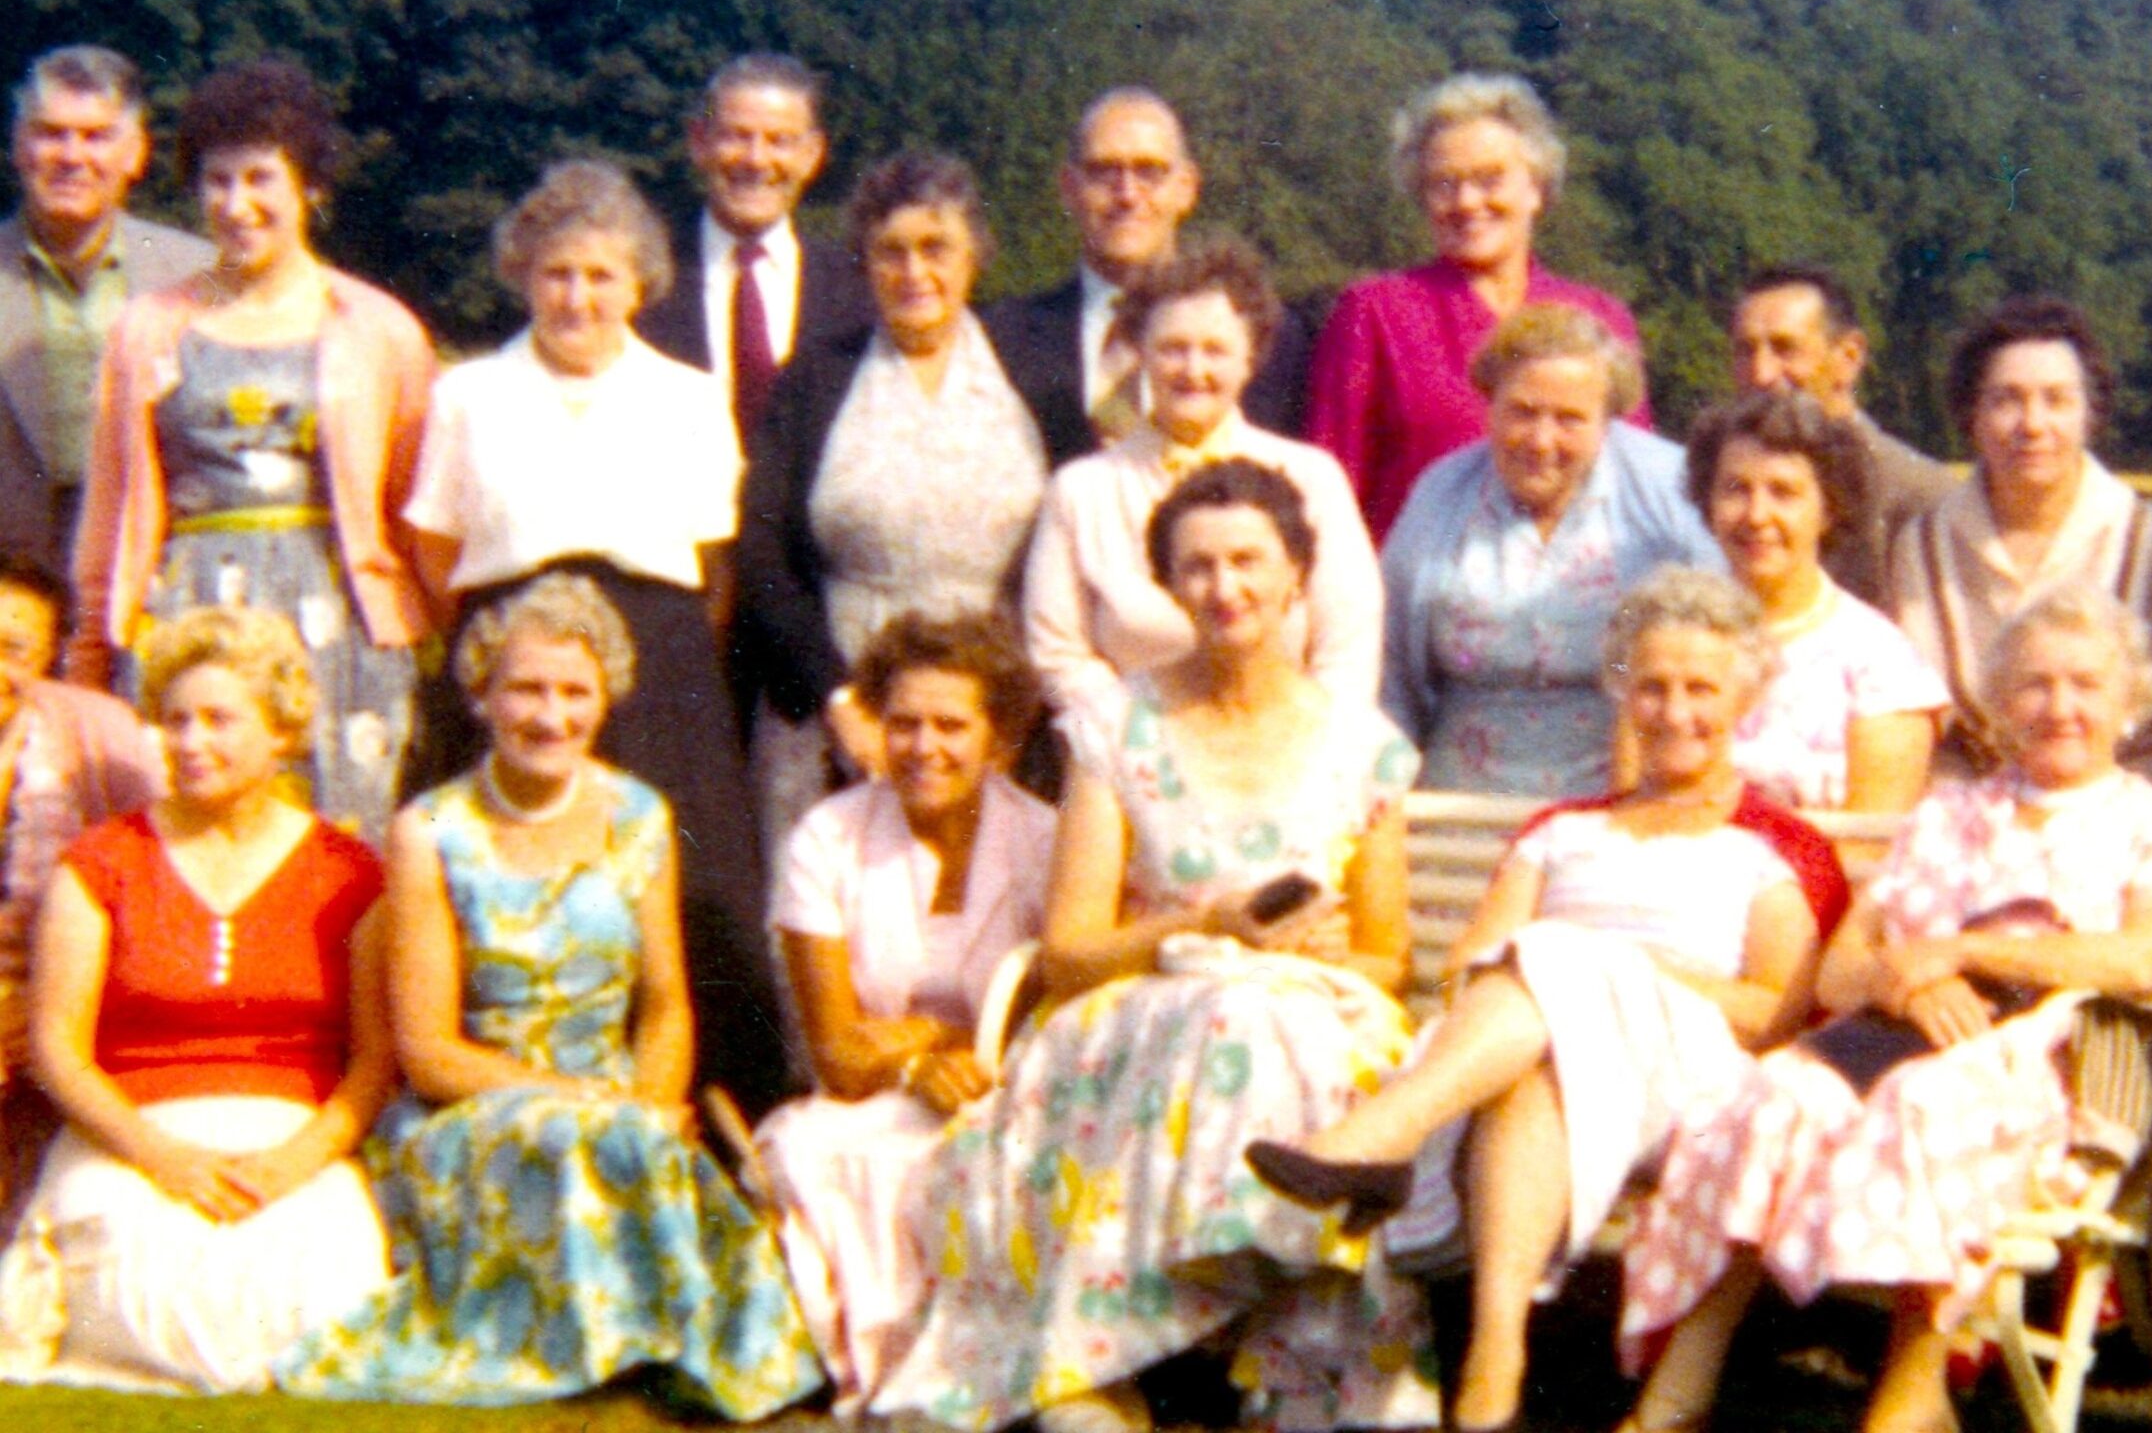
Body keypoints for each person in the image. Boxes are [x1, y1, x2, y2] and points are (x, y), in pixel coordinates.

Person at [870, 461, 1439, 1433]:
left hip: (1309, 1012)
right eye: (1199, 566)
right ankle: (1146, 1358)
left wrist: (1312, 964)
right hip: (1143, 1008)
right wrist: (1205, 926)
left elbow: (1389, 959)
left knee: (1272, 1026)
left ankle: (1282, 1352)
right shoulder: (1115, 727)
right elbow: (1069, 953)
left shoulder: (1361, 743)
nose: (1226, 587)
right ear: (1170, 584)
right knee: (1235, 1017)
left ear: (1297, 574)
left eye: (1249, 561)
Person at [1617, 586, 2152, 1433]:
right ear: (2001, 703)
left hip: (2048, 1069)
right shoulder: (1949, 814)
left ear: (2130, 701)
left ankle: (1913, 1392)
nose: (2059, 707)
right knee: (1772, 1097)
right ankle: (1678, 1391)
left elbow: (2149, 956)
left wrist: (1962, 952)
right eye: (2034, 685)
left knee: (1928, 1102)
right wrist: (1907, 982)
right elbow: (1838, 976)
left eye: (2085, 685)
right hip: (1889, 1041)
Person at [1251, 568, 1830, 1433]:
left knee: (1559, 951)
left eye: (1701, 689)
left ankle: (1385, 1134)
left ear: (1745, 698)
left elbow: (1773, 1013)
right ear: (1622, 693)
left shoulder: (1776, 847)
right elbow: (1471, 969)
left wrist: (1619, 969)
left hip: (1687, 1086)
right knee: (1530, 1070)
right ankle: (1497, 1360)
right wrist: (1576, 994)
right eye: (1653, 686)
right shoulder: (1561, 831)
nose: (1674, 710)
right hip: (1539, 1054)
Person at [274, 574, 821, 1416]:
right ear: (482, 694)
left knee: (623, 1141)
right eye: (526, 689)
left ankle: (662, 1343)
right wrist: (592, 1103)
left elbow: (665, 1004)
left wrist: (647, 1104)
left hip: (613, 1105)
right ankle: (604, 1341)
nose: (551, 716)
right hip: (469, 1112)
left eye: (575, 692)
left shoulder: (639, 814)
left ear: (607, 698)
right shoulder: (431, 830)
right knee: (571, 1136)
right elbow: (428, 1054)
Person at [402, 159, 780, 1111]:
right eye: (558, 273)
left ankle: (707, 1114)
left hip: (657, 661)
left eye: (601, 275)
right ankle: (498, 1098)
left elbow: (716, 562)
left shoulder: (688, 395)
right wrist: (504, 656)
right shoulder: (468, 393)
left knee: (687, 882)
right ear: (523, 277)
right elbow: (435, 549)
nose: (578, 297)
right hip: (509, 652)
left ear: (638, 285)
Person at [0, 606, 391, 1392]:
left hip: (290, 1136)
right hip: (131, 1135)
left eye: (218, 720)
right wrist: (163, 1158)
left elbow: (376, 1062)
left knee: (317, 1295)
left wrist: (292, 1164)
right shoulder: (100, 864)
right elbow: (57, 1050)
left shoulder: (349, 870)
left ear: (282, 732)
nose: (189, 742)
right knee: (145, 1290)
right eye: (175, 721)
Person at [69, 58, 436, 838]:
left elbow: (417, 511)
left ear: (309, 185)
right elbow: (109, 510)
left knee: (336, 853)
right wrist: (92, 656)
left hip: (337, 631)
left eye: (260, 179)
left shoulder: (380, 329)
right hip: (182, 621)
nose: (237, 206)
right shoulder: (145, 327)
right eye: (217, 181)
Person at [751, 612, 1055, 1413]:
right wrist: (923, 1058)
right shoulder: (827, 837)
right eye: (903, 723)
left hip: (1006, 1096)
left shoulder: (1045, 838)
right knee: (834, 1155)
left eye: (951, 726)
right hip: (867, 1101)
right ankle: (896, 1373)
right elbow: (837, 1053)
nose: (924, 747)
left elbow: (1046, 1026)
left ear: (1000, 737)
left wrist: (928, 1040)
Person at [736, 149, 1047, 850]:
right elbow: (763, 554)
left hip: (995, 715)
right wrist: (840, 700)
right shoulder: (815, 377)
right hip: (837, 713)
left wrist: (1014, 713)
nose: (914, 272)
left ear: (975, 256)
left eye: (936, 248)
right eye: (891, 252)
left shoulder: (1029, 372)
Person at [1021, 237, 1379, 735]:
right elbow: (1057, 653)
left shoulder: (1311, 478)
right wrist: (1145, 743)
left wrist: (1302, 743)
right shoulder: (1082, 490)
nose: (1193, 371)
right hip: (1131, 754)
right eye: (1173, 349)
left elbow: (1348, 646)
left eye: (1215, 350)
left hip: (1291, 750)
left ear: (1250, 360)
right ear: (1140, 353)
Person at [1888, 293, 2152, 798]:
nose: (2032, 425)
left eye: (2056, 400)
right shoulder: (1922, 547)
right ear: (1971, 413)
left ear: (2089, 414)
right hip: (1966, 812)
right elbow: (1924, 731)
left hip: (2118, 812)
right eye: (2006, 400)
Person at [1380, 303, 1718, 796]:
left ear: (1608, 422)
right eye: (1522, 412)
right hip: (1456, 803)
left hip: (1621, 799)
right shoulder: (1442, 492)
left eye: (1569, 420)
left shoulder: (1671, 490)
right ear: (1489, 405)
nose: (1541, 441)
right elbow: (1391, 669)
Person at [1307, 74, 1650, 541]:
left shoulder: (1599, 319)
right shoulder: (1375, 313)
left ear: (1536, 188)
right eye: (1444, 184)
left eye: (1490, 180)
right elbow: (1328, 495)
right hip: (1418, 579)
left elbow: (1636, 483)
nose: (1467, 203)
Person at [984, 87, 1311, 465]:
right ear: (1069, 188)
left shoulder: (1272, 340)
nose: (1127, 195)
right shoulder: (1002, 340)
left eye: (1149, 172)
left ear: (1187, 188)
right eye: (1103, 172)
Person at [0, 47, 212, 574]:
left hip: (156, 581)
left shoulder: (201, 277)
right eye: (51, 133)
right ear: (18, 145)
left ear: (136, 153)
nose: (72, 156)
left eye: (96, 136)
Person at [1690, 390, 1947, 824]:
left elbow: (1871, 846)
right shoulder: (1667, 642)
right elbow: (1634, 815)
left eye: (1783, 492)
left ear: (1828, 509)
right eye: (1736, 489)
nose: (1757, 515)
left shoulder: (1881, 662)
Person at [0, 555, 162, 1215]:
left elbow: (157, 891)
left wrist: (41, 1008)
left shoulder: (99, 733)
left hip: (69, 1018)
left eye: (13, 649)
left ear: (47, 659)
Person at [634, 51, 869, 443]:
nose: (757, 160)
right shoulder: (637, 281)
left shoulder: (858, 291)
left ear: (812, 155)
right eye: (737, 136)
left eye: (780, 141)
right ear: (699, 142)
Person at [1728, 265, 1956, 608]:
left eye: (1785, 348)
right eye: (1746, 351)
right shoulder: (1719, 495)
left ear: (1849, 357)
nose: (1761, 373)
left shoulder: (1919, 501)